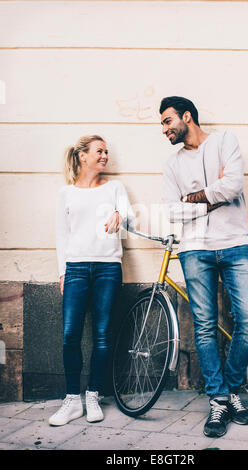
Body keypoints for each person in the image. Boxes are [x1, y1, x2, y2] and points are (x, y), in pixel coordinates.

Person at [160, 96, 248, 438]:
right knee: (204, 327)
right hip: (194, 249)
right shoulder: (172, 165)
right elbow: (171, 211)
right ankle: (219, 399)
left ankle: (233, 389)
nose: (164, 130)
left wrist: (192, 197)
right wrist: (212, 193)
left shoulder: (224, 141)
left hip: (234, 242)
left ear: (187, 116)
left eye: (167, 121)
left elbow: (233, 185)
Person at [49, 135, 135, 426]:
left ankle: (93, 394)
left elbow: (131, 220)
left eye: (107, 151)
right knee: (70, 334)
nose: (105, 156)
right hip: (75, 269)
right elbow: (62, 236)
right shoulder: (66, 193)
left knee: (102, 335)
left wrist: (118, 213)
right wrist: (63, 272)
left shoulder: (114, 188)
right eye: (99, 151)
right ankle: (72, 399)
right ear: (83, 156)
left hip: (108, 268)